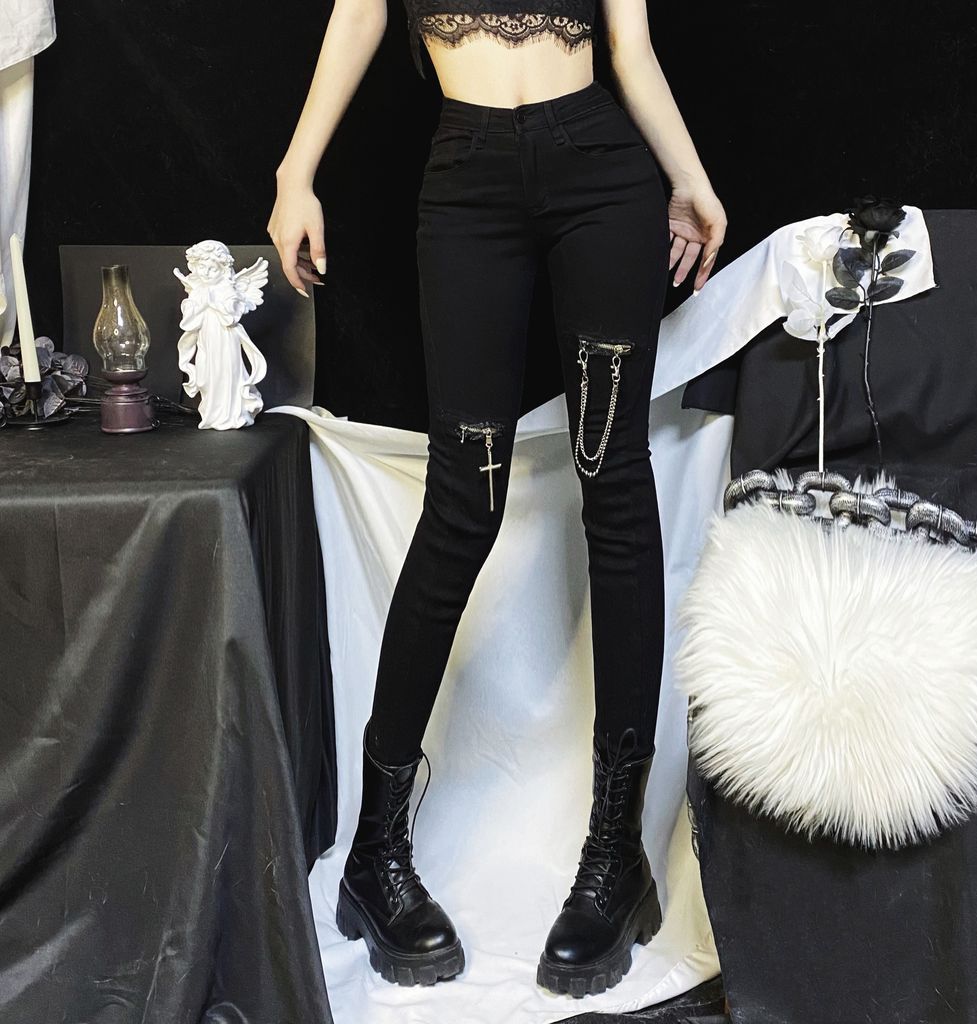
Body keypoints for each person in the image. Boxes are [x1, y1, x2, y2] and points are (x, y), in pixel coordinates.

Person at [267, 0, 727, 998]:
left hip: (602, 169)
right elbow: (359, 11)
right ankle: (374, 853)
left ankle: (615, 859)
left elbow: (629, 45)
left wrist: (687, 177)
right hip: (467, 177)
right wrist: (295, 172)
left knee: (615, 486)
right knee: (461, 503)